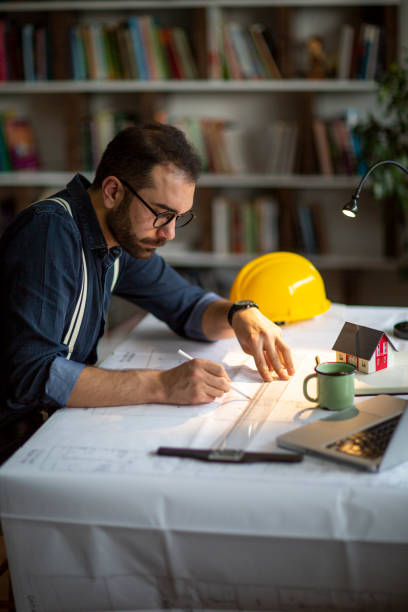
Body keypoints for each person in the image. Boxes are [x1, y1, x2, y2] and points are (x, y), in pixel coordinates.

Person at [0, 123, 294, 461]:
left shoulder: (119, 240)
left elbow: (187, 306)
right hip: (14, 442)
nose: (169, 233)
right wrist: (163, 385)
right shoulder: (51, 232)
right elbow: (32, 374)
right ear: (113, 192)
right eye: (161, 214)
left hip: (54, 424)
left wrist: (240, 312)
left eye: (178, 218)